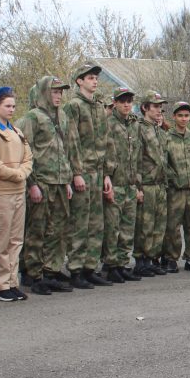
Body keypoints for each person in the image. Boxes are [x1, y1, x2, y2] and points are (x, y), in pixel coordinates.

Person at [16, 76, 74, 295]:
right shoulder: (33, 117)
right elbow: (24, 151)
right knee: (36, 230)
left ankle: (51, 270)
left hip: (59, 181)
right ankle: (33, 273)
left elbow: (64, 151)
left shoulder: (61, 116)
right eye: (54, 92)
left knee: (58, 230)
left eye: (60, 92)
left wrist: (67, 179)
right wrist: (31, 183)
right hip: (41, 182)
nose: (58, 96)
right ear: (43, 93)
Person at [0, 86, 34, 302]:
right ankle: (1, 285)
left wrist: (23, 173)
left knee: (15, 240)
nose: (12, 109)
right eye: (7, 106)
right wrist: (17, 174)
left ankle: (13, 282)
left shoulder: (17, 131)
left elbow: (28, 158)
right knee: (1, 240)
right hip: (1, 193)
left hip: (18, 191)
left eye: (13, 106)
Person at [63, 62, 113, 287]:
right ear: (79, 81)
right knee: (80, 223)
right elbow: (71, 141)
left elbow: (106, 141)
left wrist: (107, 174)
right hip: (82, 172)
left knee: (96, 224)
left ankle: (89, 267)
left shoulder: (98, 107)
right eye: (90, 78)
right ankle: (76, 269)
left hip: (98, 172)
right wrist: (76, 173)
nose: (94, 81)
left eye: (95, 78)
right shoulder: (74, 106)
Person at [101, 87, 143, 283]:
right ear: (115, 103)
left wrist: (138, 185)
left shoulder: (134, 125)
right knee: (112, 228)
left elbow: (138, 156)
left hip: (130, 184)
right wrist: (106, 177)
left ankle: (122, 263)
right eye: (122, 101)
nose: (126, 105)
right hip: (115, 183)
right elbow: (103, 153)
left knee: (127, 228)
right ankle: (111, 265)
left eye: (129, 101)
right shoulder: (108, 124)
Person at [163, 101, 190, 272]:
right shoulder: (166, 138)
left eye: (186, 116)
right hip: (175, 190)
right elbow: (164, 163)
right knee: (172, 226)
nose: (183, 119)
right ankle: (171, 258)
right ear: (174, 117)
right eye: (180, 115)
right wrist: (174, 179)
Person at [133, 91, 168, 277]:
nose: (159, 110)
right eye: (155, 106)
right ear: (145, 108)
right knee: (144, 225)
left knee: (158, 225)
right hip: (146, 184)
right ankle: (141, 261)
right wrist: (137, 187)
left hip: (160, 184)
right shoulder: (139, 128)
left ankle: (151, 258)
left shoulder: (158, 130)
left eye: (160, 106)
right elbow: (136, 159)